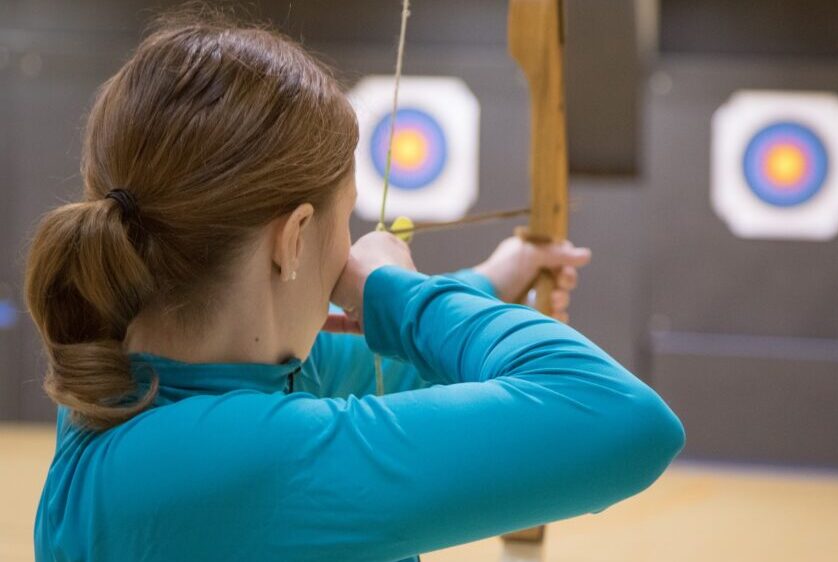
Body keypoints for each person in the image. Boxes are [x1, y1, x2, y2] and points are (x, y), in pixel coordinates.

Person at [24, 10, 684, 562]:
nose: (351, 247)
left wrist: (490, 283)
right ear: (292, 239)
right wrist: (394, 288)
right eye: (347, 221)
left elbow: (389, 372)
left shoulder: (130, 383)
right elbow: (624, 419)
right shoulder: (240, 461)